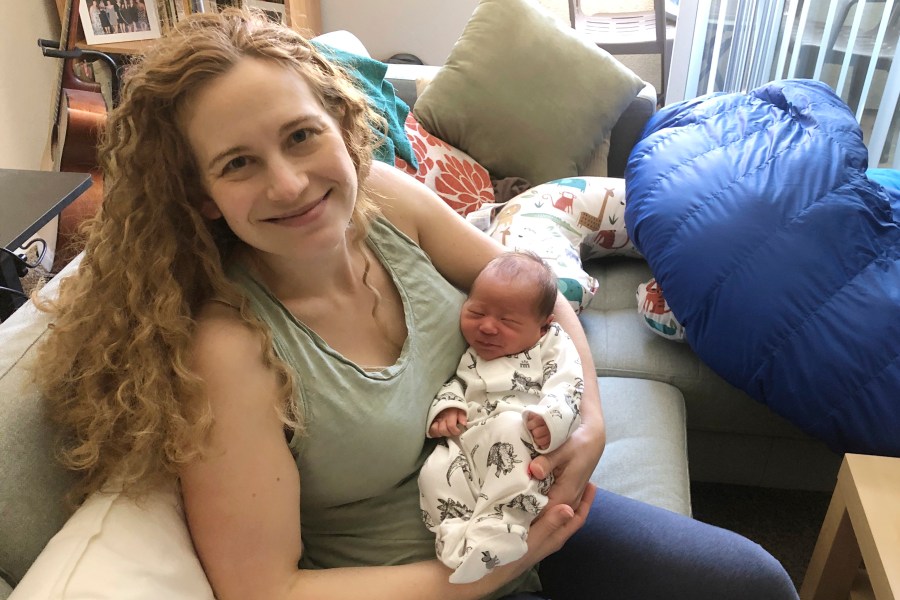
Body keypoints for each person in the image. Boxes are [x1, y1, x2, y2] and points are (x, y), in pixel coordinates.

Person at [36, 8, 800, 600]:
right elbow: (265, 589)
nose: (290, 183)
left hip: (524, 502)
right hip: (422, 578)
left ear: (343, 128)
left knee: (751, 583)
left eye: (301, 136)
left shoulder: (387, 201)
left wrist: (593, 421)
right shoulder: (231, 349)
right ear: (202, 197)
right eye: (240, 163)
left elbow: (529, 282)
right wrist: (495, 571)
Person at [420, 251, 584, 584]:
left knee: (511, 429)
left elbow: (568, 384)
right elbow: (457, 384)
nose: (487, 327)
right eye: (476, 312)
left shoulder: (551, 344)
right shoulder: (471, 354)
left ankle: (501, 527)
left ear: (542, 327)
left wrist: (548, 419)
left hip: (522, 440)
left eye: (508, 322)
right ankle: (455, 539)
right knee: (434, 469)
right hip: (469, 440)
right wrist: (449, 407)